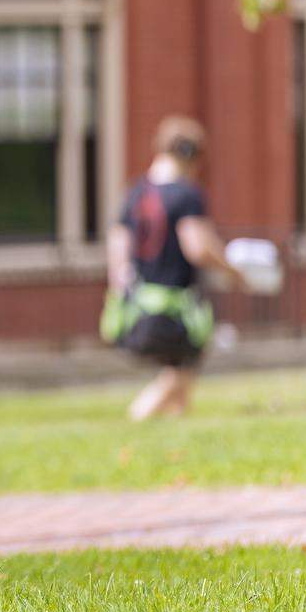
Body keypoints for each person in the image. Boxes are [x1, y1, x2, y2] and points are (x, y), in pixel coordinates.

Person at [102, 116, 247, 421]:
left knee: (182, 374)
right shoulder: (186, 194)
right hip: (176, 305)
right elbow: (197, 246)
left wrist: (121, 287)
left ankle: (177, 430)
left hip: (140, 303)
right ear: (192, 156)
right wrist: (233, 271)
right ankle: (136, 418)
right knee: (179, 372)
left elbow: (117, 243)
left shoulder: (136, 193)